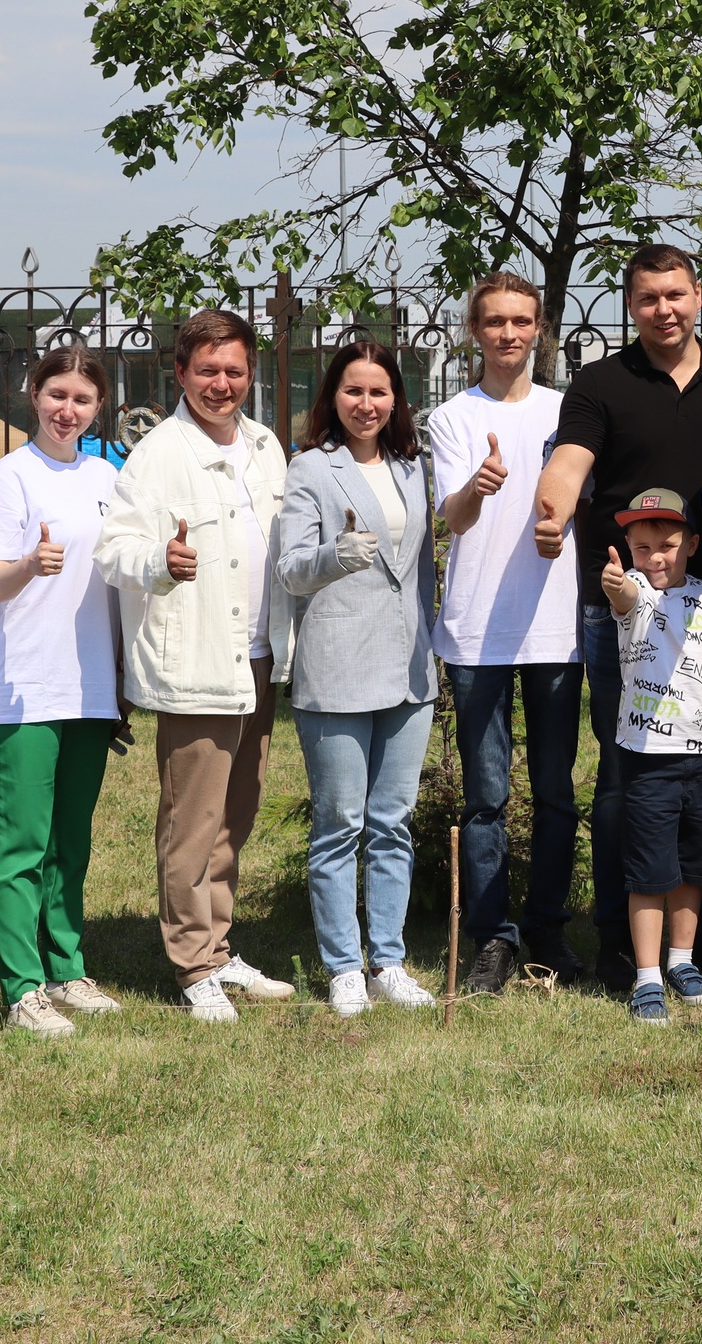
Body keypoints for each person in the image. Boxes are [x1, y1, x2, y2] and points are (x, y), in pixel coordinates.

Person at [536, 244, 702, 990]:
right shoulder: (602, 382)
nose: (663, 309)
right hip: (622, 610)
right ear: (630, 306)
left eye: (675, 294)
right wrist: (552, 508)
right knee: (625, 778)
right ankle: (617, 939)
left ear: (698, 294)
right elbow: (570, 461)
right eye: (647, 299)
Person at [97, 309, 297, 1022]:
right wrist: (161, 561)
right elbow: (114, 548)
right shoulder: (159, 454)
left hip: (256, 657)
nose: (222, 383)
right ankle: (191, 963)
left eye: (234, 371)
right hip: (196, 662)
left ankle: (219, 942)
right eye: (207, 370)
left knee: (234, 813)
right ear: (179, 374)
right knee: (192, 819)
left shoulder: (267, 445)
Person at [277, 341, 441, 1018]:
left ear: (396, 399)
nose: (366, 404)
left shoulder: (412, 467)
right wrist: (335, 555)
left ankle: (390, 960)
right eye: (353, 391)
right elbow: (290, 569)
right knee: (340, 822)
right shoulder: (311, 469)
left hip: (407, 670)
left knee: (392, 822)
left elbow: (421, 565)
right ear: (332, 397)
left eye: (379, 392)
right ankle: (344, 965)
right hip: (339, 668)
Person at [431, 276, 583, 997]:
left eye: (522, 321)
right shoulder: (453, 417)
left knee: (556, 790)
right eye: (495, 321)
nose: (508, 334)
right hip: (477, 633)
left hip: (554, 625)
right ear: (474, 330)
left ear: (540, 328)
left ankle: (548, 927)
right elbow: (453, 520)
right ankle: (494, 935)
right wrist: (479, 486)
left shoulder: (569, 410)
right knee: (486, 795)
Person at [0, 345, 126, 1038]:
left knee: (72, 837)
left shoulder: (107, 475)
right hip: (28, 683)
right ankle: (21, 984)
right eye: (57, 394)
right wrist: (31, 563)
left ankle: (67, 967)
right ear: (32, 394)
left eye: (83, 399)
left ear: (100, 407)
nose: (68, 409)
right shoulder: (9, 477)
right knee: (23, 842)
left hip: (92, 680)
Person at [596, 490, 702, 1027]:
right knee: (649, 870)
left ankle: (682, 961)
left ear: (691, 545)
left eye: (668, 546)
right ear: (627, 546)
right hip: (648, 757)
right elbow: (626, 599)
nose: (655, 558)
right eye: (642, 546)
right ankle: (647, 975)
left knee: (694, 865)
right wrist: (619, 585)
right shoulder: (637, 595)